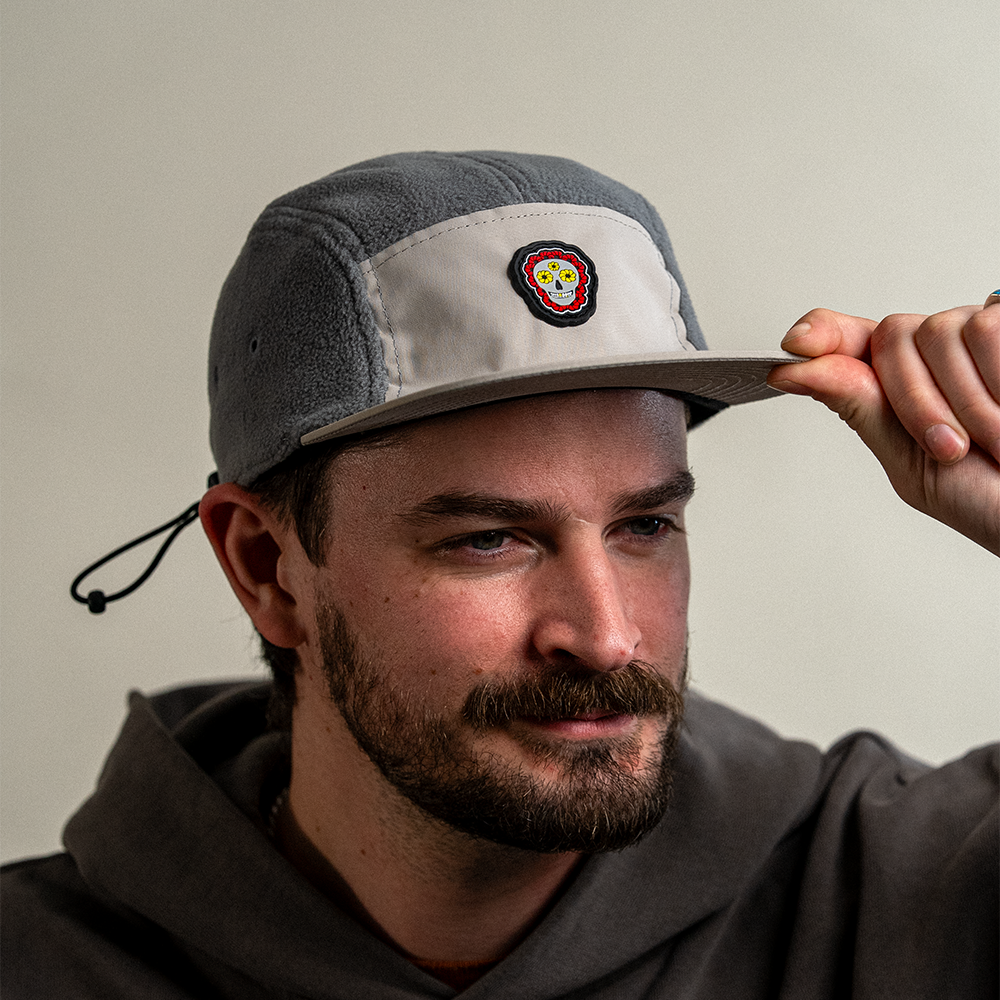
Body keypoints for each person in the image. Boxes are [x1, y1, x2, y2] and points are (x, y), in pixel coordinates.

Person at [4, 151, 1000, 998]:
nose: (605, 634)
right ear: (267, 568)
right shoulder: (40, 961)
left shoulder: (906, 891)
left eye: (645, 522)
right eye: (489, 538)